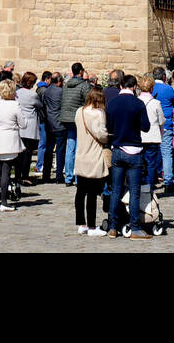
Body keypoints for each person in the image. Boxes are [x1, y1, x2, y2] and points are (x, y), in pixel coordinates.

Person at [106, 74, 151, 239]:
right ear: (134, 87)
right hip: (135, 149)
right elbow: (146, 127)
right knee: (134, 191)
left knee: (115, 190)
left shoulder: (112, 103)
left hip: (118, 148)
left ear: (120, 86)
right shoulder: (138, 104)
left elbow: (108, 126)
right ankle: (135, 228)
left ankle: (112, 226)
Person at [0, 78, 28, 212]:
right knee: (6, 172)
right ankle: (4, 202)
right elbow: (23, 124)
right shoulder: (15, 105)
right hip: (10, 141)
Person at [73, 85, 109, 236]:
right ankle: (92, 226)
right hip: (93, 156)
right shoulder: (98, 114)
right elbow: (102, 135)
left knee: (80, 192)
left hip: (81, 155)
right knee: (93, 193)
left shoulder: (79, 111)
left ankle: (81, 224)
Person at [61, 63, 89, 186]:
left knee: (70, 148)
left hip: (66, 118)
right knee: (79, 148)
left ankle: (68, 177)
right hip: (78, 118)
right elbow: (88, 101)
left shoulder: (66, 85)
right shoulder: (84, 85)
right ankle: (78, 177)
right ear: (81, 71)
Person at [152, 67, 174, 192]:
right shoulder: (168, 89)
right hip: (166, 124)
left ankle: (151, 179)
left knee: (152, 153)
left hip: (152, 125)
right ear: (163, 77)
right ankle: (168, 181)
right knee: (167, 153)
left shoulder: (151, 88)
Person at [137, 74, 165, 192]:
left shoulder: (137, 101)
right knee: (151, 163)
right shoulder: (156, 103)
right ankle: (149, 187)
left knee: (141, 163)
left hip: (140, 136)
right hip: (152, 136)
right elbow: (162, 120)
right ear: (152, 88)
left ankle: (141, 185)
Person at [16, 71, 42, 184]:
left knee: (19, 153)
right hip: (30, 127)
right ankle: (24, 176)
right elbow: (39, 105)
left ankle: (17, 175)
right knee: (27, 153)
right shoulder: (33, 95)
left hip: (19, 125)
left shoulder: (17, 93)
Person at [40, 72, 66, 183]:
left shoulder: (46, 91)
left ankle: (46, 174)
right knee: (60, 151)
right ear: (59, 81)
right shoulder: (61, 92)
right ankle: (59, 175)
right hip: (59, 124)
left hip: (49, 124)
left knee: (48, 150)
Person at [35, 70, 51, 172]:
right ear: (47, 79)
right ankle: (40, 165)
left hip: (39, 118)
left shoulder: (38, 89)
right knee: (43, 143)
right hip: (43, 119)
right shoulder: (44, 90)